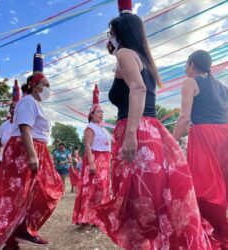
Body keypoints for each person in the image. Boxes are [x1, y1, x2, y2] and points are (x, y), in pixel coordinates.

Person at [88, 1, 217, 249]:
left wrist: (130, 135)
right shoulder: (143, 59)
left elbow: (138, 88)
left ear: (120, 33)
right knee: (151, 200)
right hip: (150, 130)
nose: (109, 38)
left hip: (137, 130)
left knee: (140, 202)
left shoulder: (125, 54)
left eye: (111, 33)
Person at [0, 44, 64, 250]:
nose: (49, 88)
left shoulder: (37, 104)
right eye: (46, 84)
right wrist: (31, 155)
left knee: (47, 190)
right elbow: (24, 129)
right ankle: (6, 240)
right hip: (24, 150)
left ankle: (23, 231)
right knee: (17, 196)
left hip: (38, 149)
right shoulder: (28, 101)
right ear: (34, 86)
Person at [173, 50, 228, 248]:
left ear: (192, 64)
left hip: (205, 136)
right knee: (222, 188)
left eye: (186, 64)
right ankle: (221, 234)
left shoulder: (190, 81)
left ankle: (211, 235)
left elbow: (184, 117)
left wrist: (171, 141)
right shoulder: (222, 86)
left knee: (203, 189)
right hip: (224, 136)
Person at [72, 84, 111, 226]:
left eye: (102, 112)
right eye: (98, 112)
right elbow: (87, 145)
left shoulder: (103, 128)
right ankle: (85, 217)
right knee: (92, 188)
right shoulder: (90, 127)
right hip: (94, 159)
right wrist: (92, 163)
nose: (101, 114)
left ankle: (97, 217)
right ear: (91, 114)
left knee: (102, 188)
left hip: (105, 160)